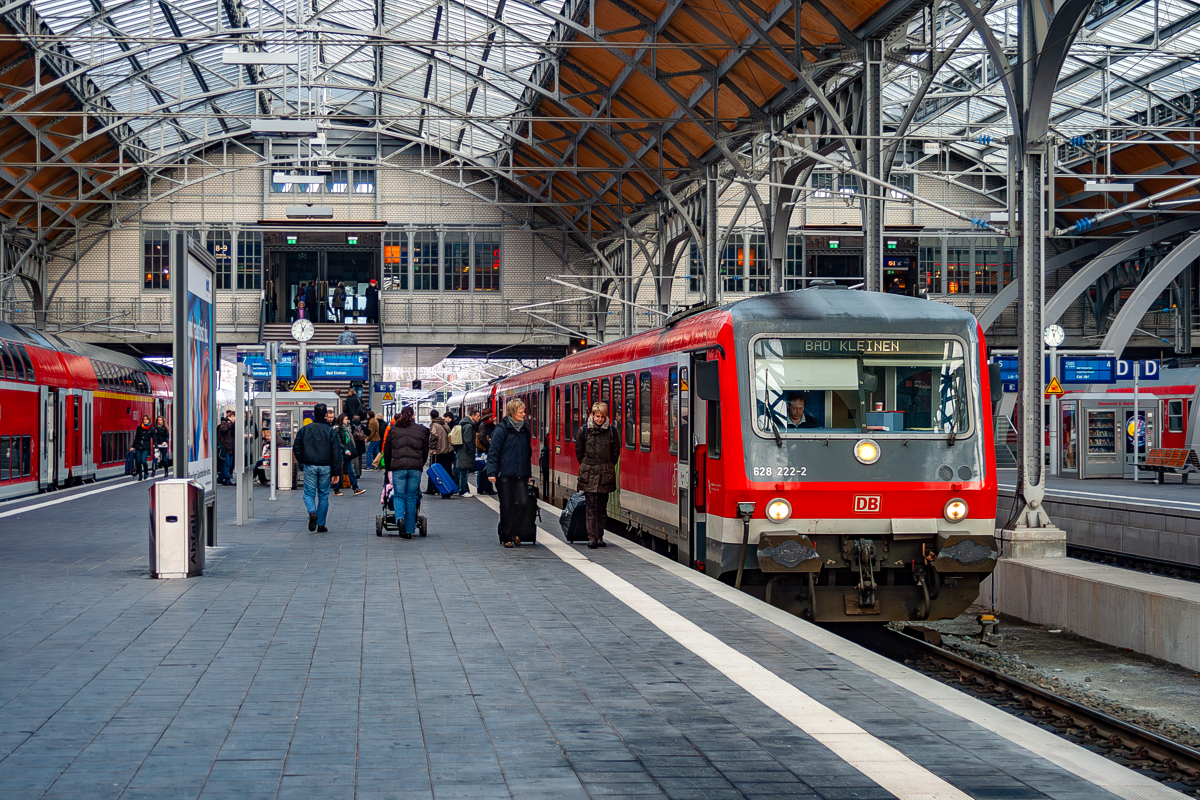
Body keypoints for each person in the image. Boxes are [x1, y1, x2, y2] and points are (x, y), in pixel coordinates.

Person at [574, 402, 622, 549]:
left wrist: (608, 466)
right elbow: (579, 451)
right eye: (597, 416)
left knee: (601, 507)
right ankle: (592, 538)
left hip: (604, 473)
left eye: (602, 416)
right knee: (590, 506)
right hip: (589, 472)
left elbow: (615, 452)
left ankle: (600, 535)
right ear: (592, 415)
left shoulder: (612, 432)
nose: (599, 419)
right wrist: (586, 464)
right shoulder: (584, 431)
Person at [487, 398, 533, 547]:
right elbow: (493, 452)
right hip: (504, 474)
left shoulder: (525, 429)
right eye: (521, 412)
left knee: (523, 502)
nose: (524, 414)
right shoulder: (501, 429)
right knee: (506, 505)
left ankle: (514, 530)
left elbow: (528, 453)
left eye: (524, 411)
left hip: (520, 473)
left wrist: (528, 474)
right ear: (513, 413)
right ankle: (506, 536)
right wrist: (491, 472)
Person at [382, 406, 429, 538]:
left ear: (401, 415)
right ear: (413, 415)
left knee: (399, 495)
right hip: (415, 468)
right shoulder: (421, 430)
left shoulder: (394, 430)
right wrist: (420, 463)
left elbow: (387, 450)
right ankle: (409, 530)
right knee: (411, 497)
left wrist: (389, 467)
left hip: (398, 468)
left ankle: (399, 519)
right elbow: (425, 450)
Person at [293, 402, 338, 532]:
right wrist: (336, 472)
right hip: (325, 466)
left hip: (310, 464)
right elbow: (336, 452)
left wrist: (302, 461)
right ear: (325, 415)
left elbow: (297, 447)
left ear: (313, 414)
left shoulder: (305, 429)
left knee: (309, 492)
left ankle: (312, 511)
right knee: (323, 495)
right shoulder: (330, 431)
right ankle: (321, 523)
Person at [334, 413, 365, 496]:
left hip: (345, 451)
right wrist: (345, 449)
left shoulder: (346, 428)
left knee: (350, 470)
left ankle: (355, 487)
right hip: (341, 451)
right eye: (345, 419)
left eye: (347, 419)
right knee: (339, 470)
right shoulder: (338, 429)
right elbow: (339, 441)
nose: (347, 421)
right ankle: (336, 488)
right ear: (341, 420)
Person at [454, 409, 480, 497]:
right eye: (477, 416)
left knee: (463, 471)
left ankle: (463, 489)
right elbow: (468, 440)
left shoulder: (465, 424)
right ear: (472, 416)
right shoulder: (469, 426)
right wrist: (471, 450)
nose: (479, 418)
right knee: (464, 471)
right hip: (465, 452)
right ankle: (463, 490)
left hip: (462, 451)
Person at [426, 411, 451, 496]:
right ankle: (446, 488)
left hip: (438, 452)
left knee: (434, 470)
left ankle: (433, 488)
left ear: (431, 417)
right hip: (447, 451)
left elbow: (433, 436)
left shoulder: (434, 425)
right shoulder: (445, 425)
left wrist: (432, 448)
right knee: (446, 471)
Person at [475, 410, 495, 495]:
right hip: (484, 450)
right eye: (491, 416)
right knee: (483, 470)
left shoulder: (489, 425)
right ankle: (483, 488)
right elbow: (482, 437)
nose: (492, 418)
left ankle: (487, 488)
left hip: (486, 450)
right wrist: (489, 446)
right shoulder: (484, 425)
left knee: (486, 469)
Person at [131, 414, 155, 481]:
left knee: (143, 460)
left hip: (146, 447)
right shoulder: (139, 428)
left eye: (146, 419)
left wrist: (156, 446)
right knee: (138, 461)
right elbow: (136, 437)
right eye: (144, 419)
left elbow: (154, 438)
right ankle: (140, 476)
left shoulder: (152, 429)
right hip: (138, 446)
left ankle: (146, 472)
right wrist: (133, 446)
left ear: (149, 420)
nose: (145, 421)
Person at [217, 410, 236, 485]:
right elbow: (223, 429)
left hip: (231, 446)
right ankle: (227, 479)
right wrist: (229, 424)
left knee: (229, 463)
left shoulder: (233, 423)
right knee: (227, 463)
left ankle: (220, 478)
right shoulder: (225, 422)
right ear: (232, 416)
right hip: (226, 446)